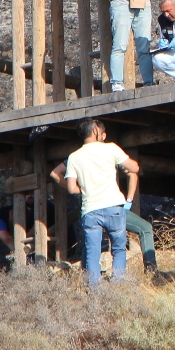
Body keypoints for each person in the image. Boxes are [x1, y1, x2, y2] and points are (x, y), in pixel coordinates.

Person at [59, 119, 140, 286]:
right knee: (118, 249)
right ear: (96, 131)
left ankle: (95, 292)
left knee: (92, 253)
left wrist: (86, 189)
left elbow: (72, 188)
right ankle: (118, 286)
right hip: (113, 206)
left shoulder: (73, 157)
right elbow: (134, 168)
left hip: (90, 209)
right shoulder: (111, 148)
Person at [50, 161, 158, 273]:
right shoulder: (109, 153)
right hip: (112, 207)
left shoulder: (77, 156)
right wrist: (129, 200)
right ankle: (150, 271)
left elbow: (55, 173)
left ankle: (87, 277)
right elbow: (132, 172)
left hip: (90, 208)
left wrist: (79, 191)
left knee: (90, 245)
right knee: (143, 230)